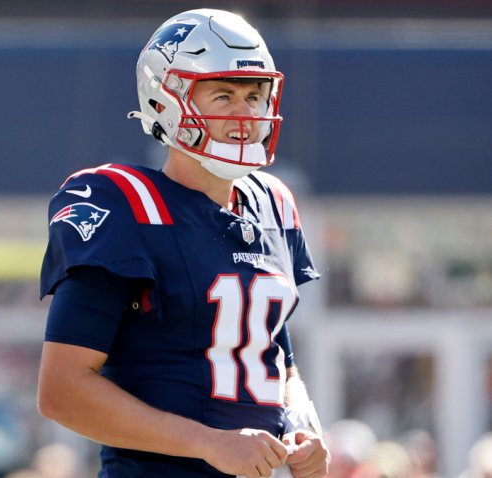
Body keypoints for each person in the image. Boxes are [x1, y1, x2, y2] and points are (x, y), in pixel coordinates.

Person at [37, 9, 329, 478]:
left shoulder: (273, 204)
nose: (245, 114)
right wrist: (207, 443)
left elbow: (275, 357)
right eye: (223, 94)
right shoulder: (128, 206)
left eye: (254, 95)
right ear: (164, 100)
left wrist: (302, 425)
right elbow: (62, 391)